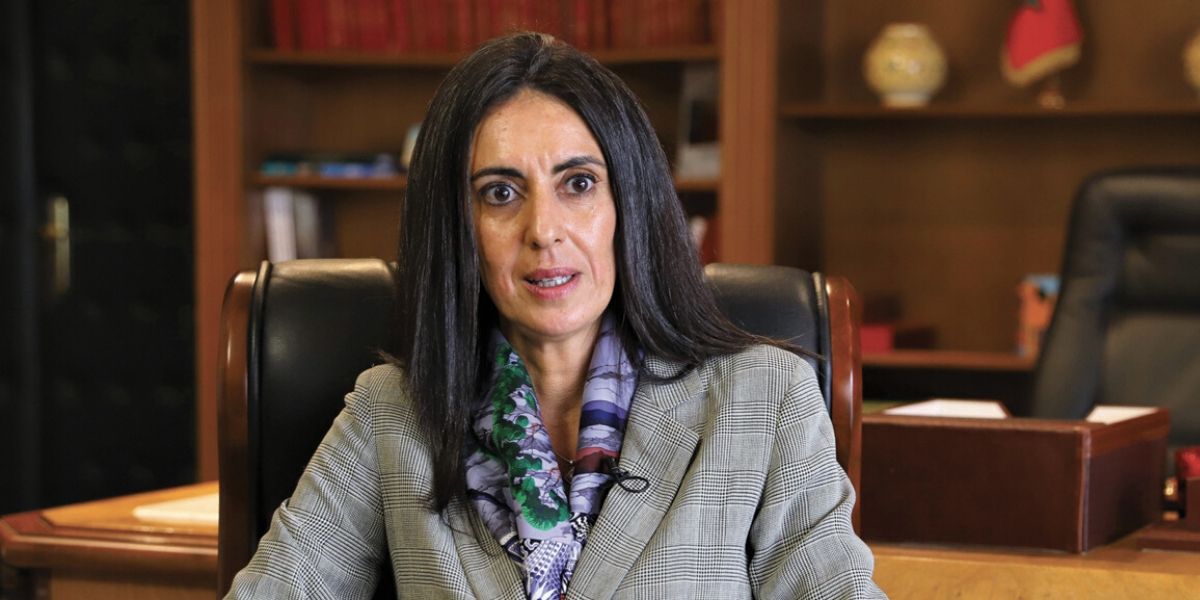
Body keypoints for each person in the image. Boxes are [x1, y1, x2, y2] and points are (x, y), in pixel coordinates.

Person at [228, 32, 885, 599]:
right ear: (458, 228)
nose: (544, 229)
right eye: (500, 192)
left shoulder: (764, 399)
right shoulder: (392, 413)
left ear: (628, 205)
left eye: (578, 184)